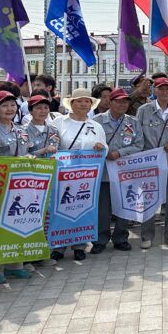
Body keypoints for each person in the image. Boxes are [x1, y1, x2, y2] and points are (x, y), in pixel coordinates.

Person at [53, 88, 109, 261]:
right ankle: (59, 246)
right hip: (63, 175)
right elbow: (52, 143)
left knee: (82, 208)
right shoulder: (59, 122)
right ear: (72, 103)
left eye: (87, 101)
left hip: (86, 177)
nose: (83, 104)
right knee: (62, 209)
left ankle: (79, 245)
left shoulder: (96, 126)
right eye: (79, 101)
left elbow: (105, 148)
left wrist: (101, 147)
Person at [0, 91, 31, 283]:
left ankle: (15, 265)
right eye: (4, 105)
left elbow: (27, 151)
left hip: (20, 186)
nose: (10, 109)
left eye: (12, 105)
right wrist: (14, 162)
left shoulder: (21, 130)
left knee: (17, 222)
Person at [136, 77, 168, 246]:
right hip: (150, 161)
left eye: (167, 88)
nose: (164, 92)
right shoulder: (144, 110)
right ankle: (147, 236)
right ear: (154, 90)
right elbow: (137, 135)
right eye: (160, 88)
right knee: (148, 198)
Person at [94, 88, 144, 252]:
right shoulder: (97, 121)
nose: (123, 105)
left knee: (125, 205)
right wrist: (104, 151)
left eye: (125, 102)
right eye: (119, 101)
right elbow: (90, 144)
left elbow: (139, 145)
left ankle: (121, 238)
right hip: (104, 172)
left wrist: (120, 153)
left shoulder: (133, 122)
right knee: (103, 208)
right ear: (110, 102)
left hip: (125, 172)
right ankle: (100, 239)